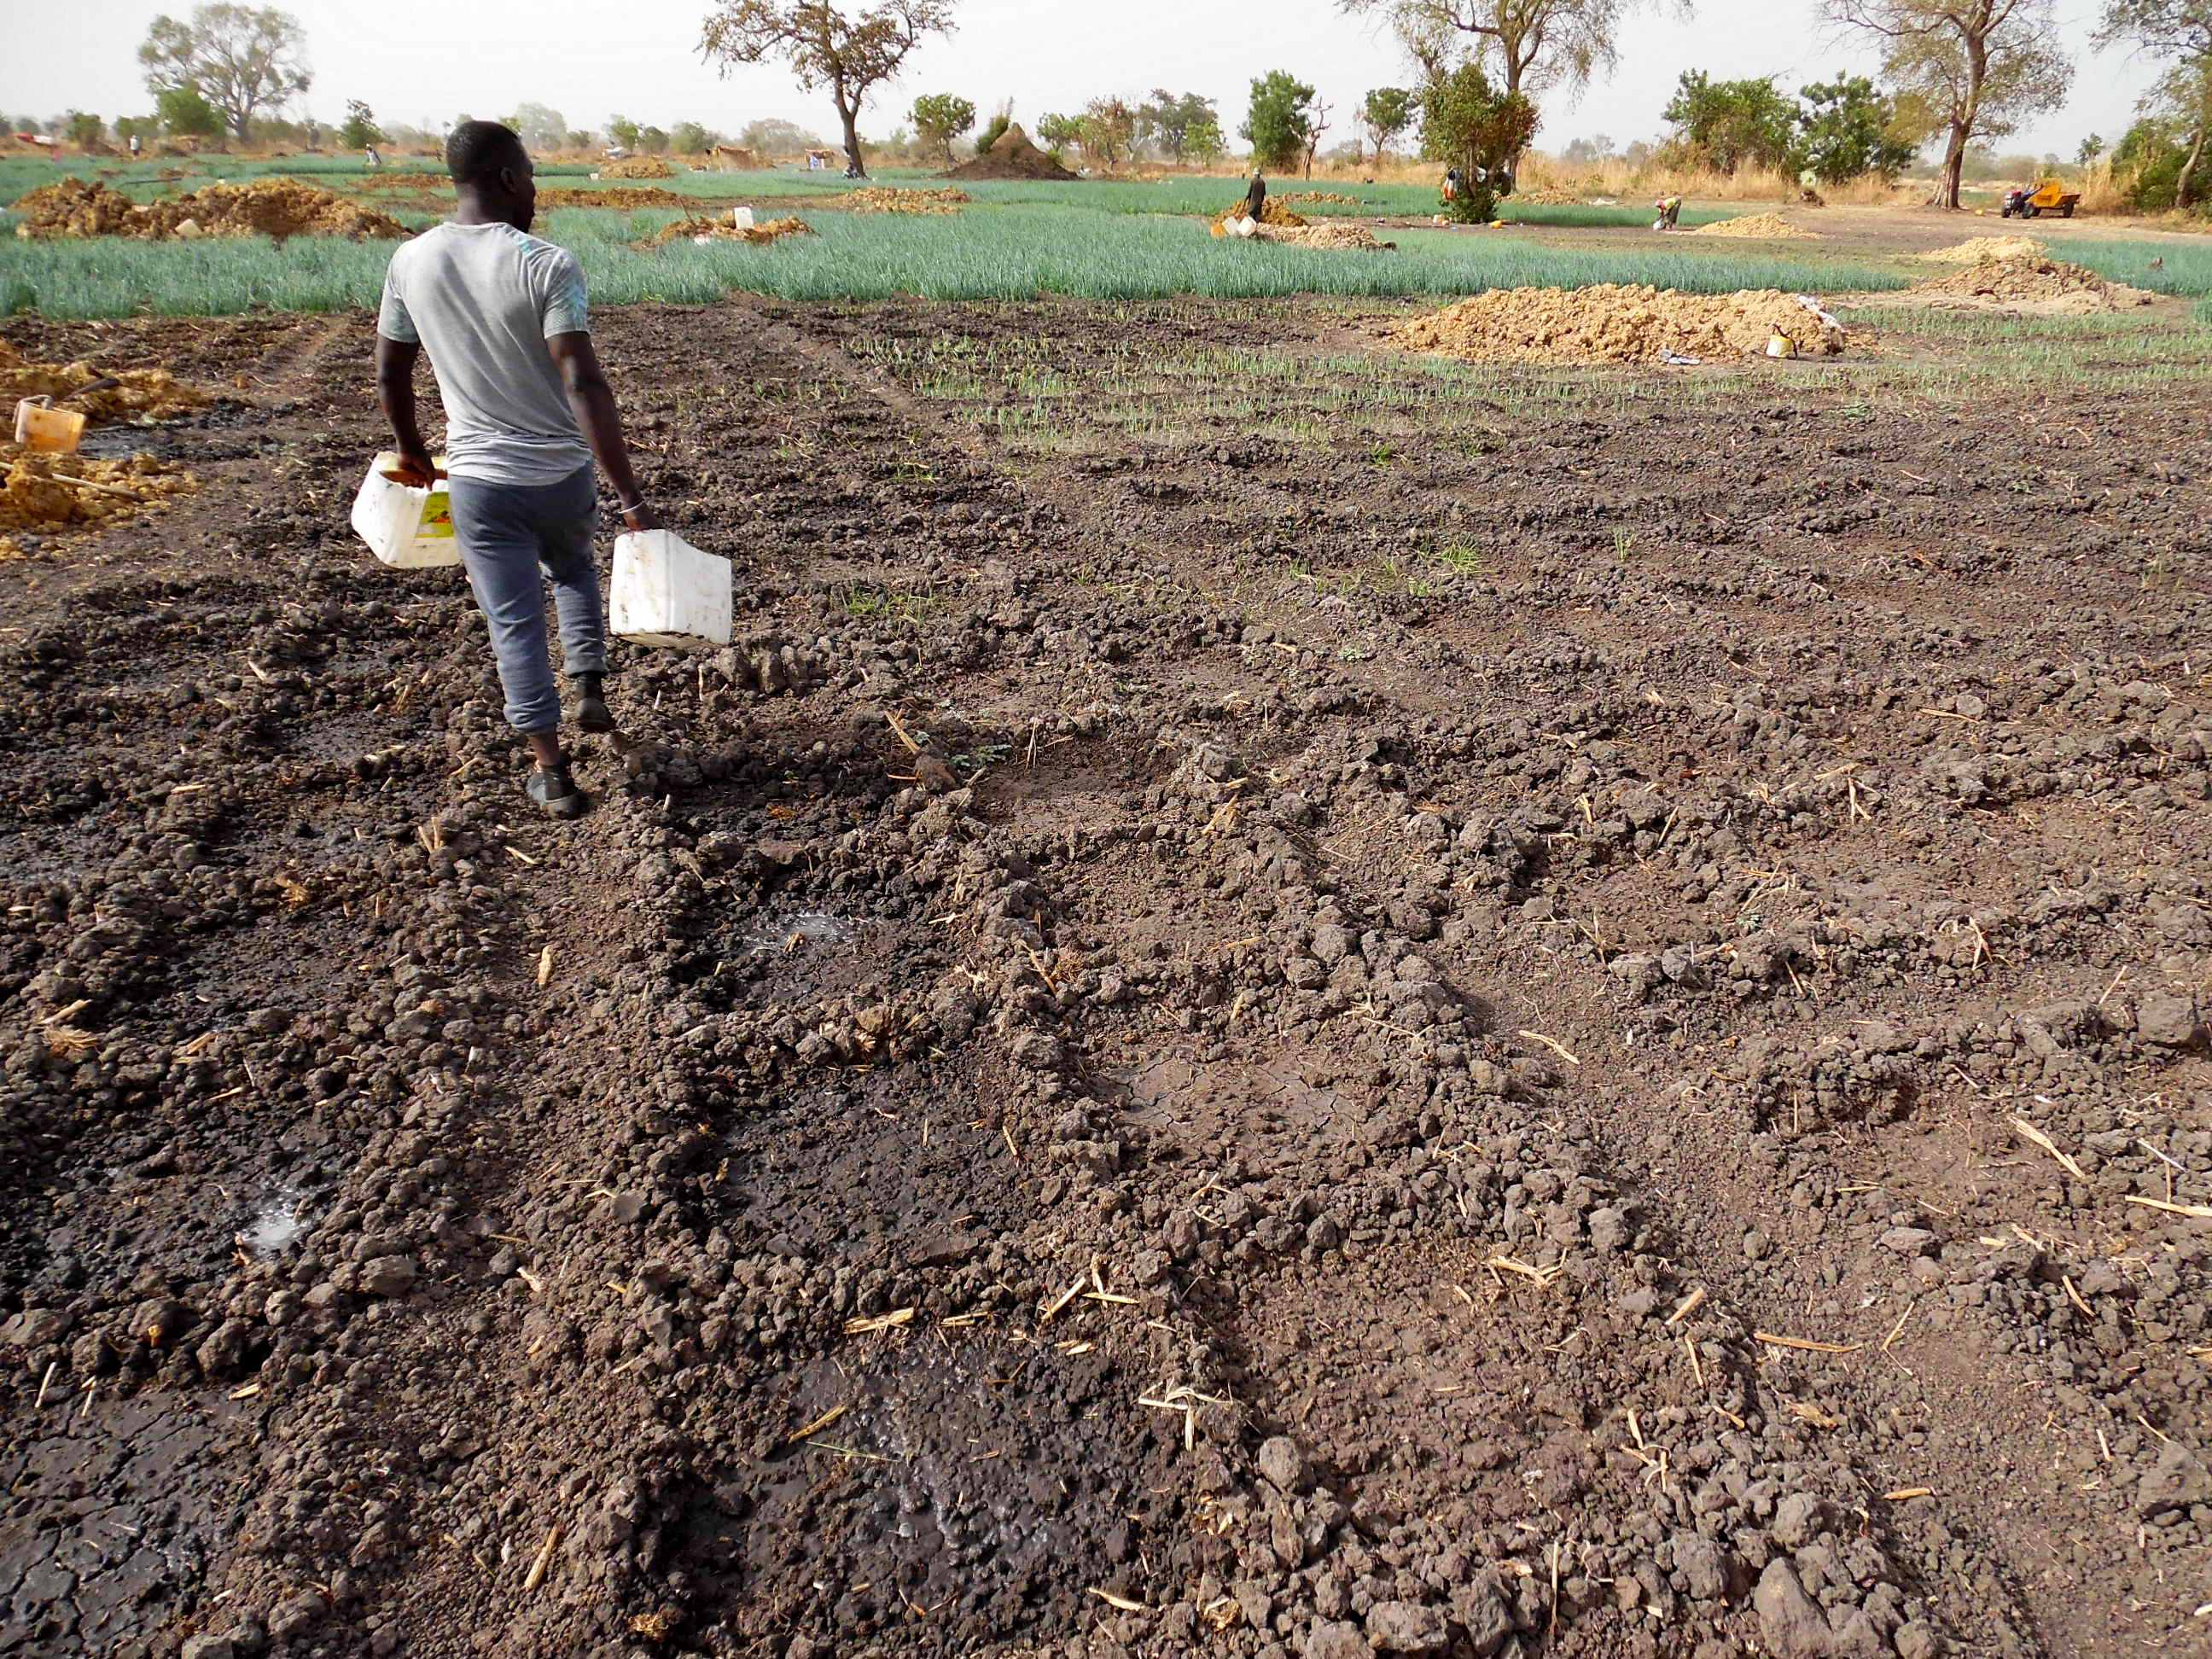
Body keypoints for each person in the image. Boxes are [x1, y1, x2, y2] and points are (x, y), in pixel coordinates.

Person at [374, 119, 657, 819]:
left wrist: (411, 448)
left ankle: (554, 774)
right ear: (507, 178)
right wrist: (628, 493)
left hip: (479, 482)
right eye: (530, 174)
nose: (534, 187)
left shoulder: (410, 262)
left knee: (513, 623)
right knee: (574, 568)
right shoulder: (546, 264)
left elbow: (390, 371)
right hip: (559, 473)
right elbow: (583, 383)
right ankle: (588, 678)